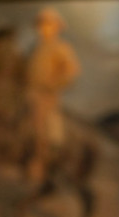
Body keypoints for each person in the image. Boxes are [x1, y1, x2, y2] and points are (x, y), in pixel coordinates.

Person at [24, 7, 80, 183]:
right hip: (26, 93)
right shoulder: (34, 48)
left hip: (46, 97)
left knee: (39, 125)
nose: (44, 28)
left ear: (56, 28)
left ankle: (38, 163)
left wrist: (51, 86)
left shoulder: (62, 48)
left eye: (48, 25)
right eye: (41, 24)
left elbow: (71, 72)